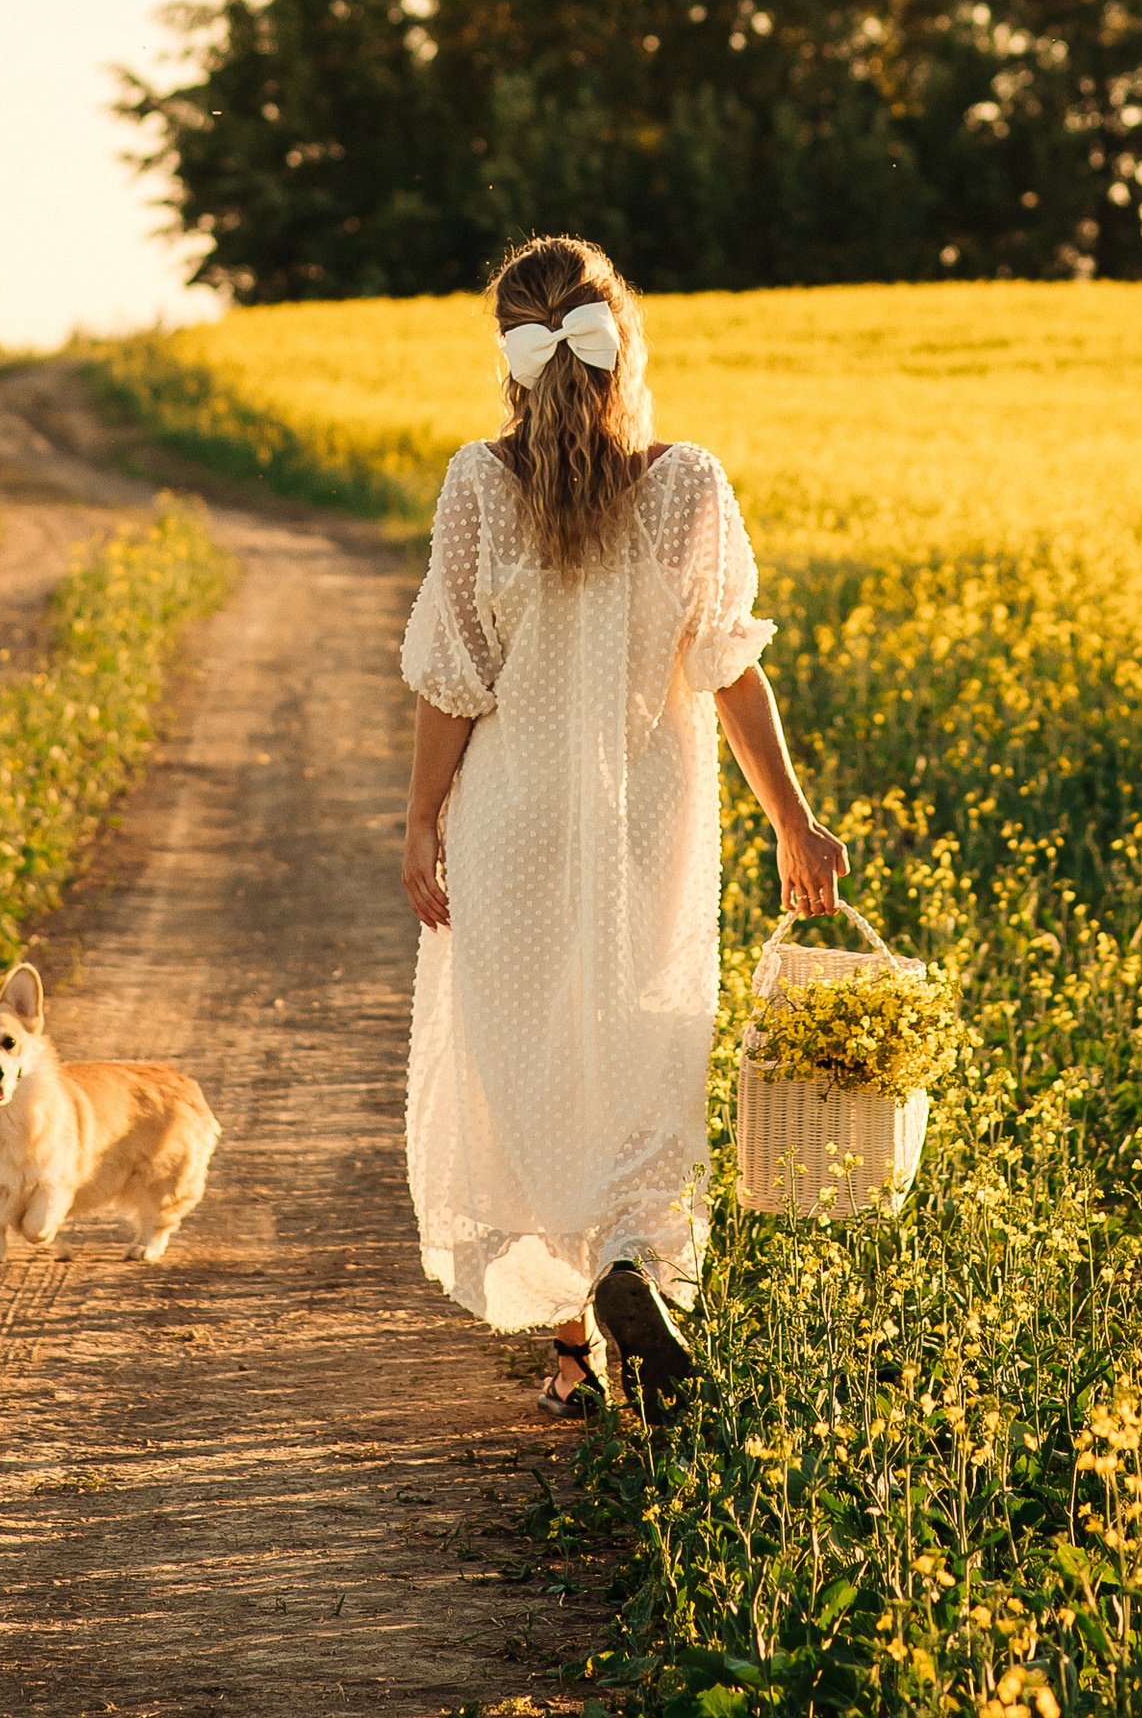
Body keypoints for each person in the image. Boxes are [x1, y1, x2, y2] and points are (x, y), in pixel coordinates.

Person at [398, 233, 848, 1416]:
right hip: (649, 828)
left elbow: (451, 681)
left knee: (531, 1070)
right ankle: (629, 1265)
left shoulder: (475, 483)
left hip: (510, 825)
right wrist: (795, 824)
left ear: (510, 358)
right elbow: (729, 670)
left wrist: (420, 823)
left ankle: (571, 1350)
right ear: (621, 341)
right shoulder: (688, 482)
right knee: (643, 1051)